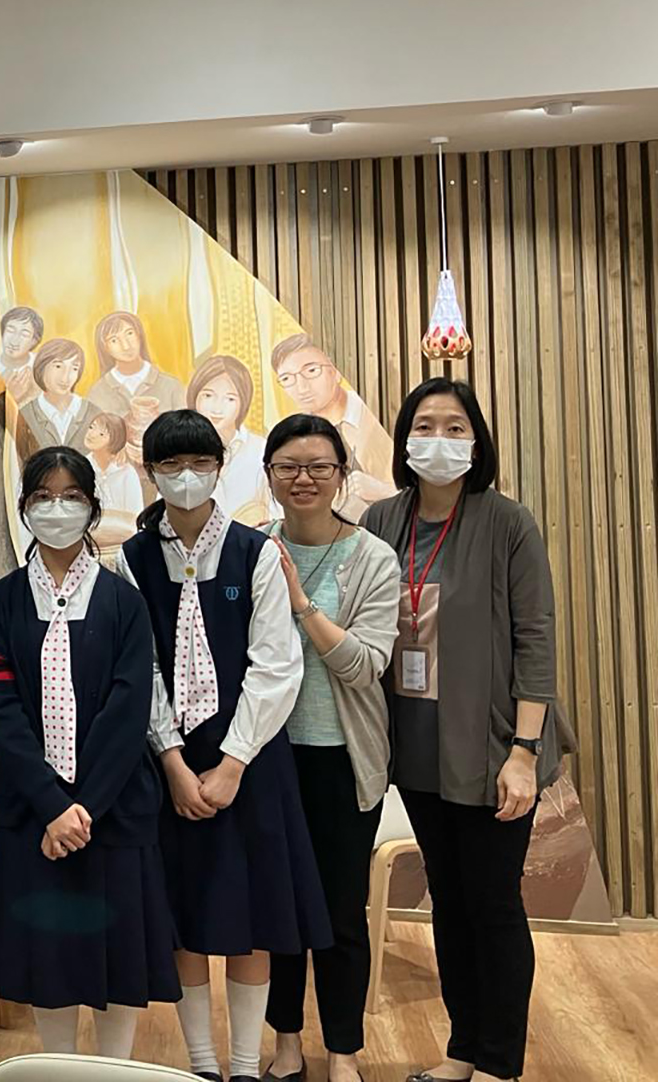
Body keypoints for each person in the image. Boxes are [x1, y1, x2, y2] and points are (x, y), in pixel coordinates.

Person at [362, 379, 572, 1082]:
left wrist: (524, 751)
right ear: (404, 439)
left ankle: (498, 1063)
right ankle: (461, 1051)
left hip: (492, 750)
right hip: (416, 748)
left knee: (492, 903)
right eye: (426, 425)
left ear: (476, 442)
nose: (440, 439)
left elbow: (536, 640)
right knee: (449, 904)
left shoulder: (507, 521)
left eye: (456, 427)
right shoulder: (381, 521)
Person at [118, 409, 329, 1082]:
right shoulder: (128, 560)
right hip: (168, 767)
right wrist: (175, 763)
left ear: (219, 467)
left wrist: (233, 763)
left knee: (251, 917)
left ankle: (244, 1064)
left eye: (199, 463)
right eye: (171, 466)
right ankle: (201, 1064)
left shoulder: (256, 551)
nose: (186, 477)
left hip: (250, 762)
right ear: (148, 473)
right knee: (185, 917)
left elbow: (277, 663)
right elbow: (139, 668)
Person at [0, 446, 179, 1061]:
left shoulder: (124, 601)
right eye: (43, 497)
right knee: (49, 957)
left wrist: (82, 808)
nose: (57, 509)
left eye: (71, 497)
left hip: (112, 812)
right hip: (32, 813)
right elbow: (2, 709)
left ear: (93, 509)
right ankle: (58, 1069)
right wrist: (51, 806)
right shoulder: (4, 600)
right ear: (23, 509)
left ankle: (112, 1071)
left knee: (119, 958)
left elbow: (128, 712)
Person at [256, 417, 399, 1082]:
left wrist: (302, 602)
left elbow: (365, 665)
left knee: (341, 912)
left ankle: (342, 1049)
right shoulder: (254, 548)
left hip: (342, 757)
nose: (304, 478)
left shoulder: (371, 557)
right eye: (288, 466)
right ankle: (286, 1043)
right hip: (270, 758)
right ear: (270, 475)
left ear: (342, 474)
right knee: (280, 908)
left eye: (318, 465)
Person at [269, 336, 395, 506]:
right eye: (287, 379)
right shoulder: (291, 437)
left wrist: (385, 492)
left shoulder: (377, 417)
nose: (302, 387)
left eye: (311, 371)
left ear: (336, 371)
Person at [187, 355, 269, 525]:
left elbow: (277, 515)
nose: (217, 407)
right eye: (208, 396)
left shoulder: (261, 449)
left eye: (230, 399)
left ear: (243, 404)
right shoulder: (179, 450)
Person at [85, 311, 186, 421]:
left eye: (129, 333)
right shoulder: (98, 393)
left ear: (139, 335)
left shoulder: (171, 386)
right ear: (105, 348)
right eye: (114, 340)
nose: (126, 346)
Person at [19, 339, 97, 452]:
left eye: (74, 368)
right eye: (58, 366)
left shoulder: (94, 414)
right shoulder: (24, 416)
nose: (66, 377)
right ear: (41, 367)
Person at [83, 412, 144, 550]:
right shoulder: (80, 469)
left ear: (115, 440)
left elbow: (135, 517)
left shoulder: (127, 473)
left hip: (122, 545)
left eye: (101, 434)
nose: (91, 434)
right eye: (91, 427)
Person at [0, 306, 44, 404]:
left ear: (34, 341)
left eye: (24, 334)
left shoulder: (43, 368)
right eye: (10, 331)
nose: (14, 341)